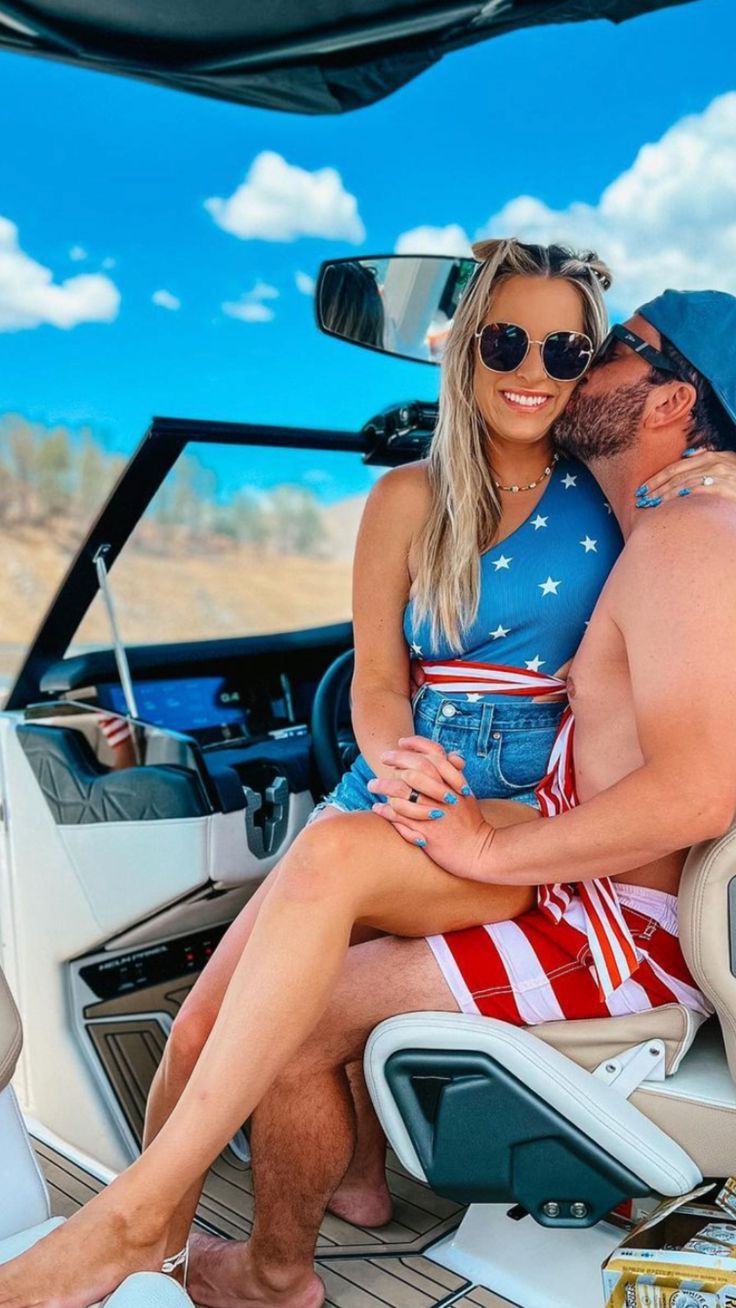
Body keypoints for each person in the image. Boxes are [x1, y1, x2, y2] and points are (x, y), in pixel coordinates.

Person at [1, 260, 735, 1308]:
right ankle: (222, 1244)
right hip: (566, 872)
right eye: (515, 345)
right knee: (248, 1004)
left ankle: (158, 1234)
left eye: (598, 350)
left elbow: (699, 793)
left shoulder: (681, 538)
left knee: (312, 948)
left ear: (669, 398)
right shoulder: (656, 521)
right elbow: (386, 681)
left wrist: (491, 847)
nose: (567, 372)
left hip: (610, 919)